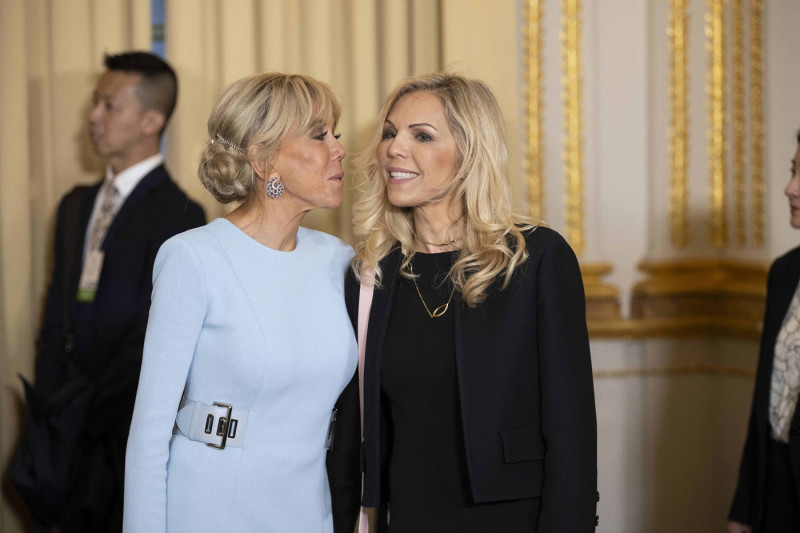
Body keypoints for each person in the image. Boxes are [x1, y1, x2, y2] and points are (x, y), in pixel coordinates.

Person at [333, 72, 598, 532]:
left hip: (514, 515)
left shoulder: (537, 259)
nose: (395, 148)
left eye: (422, 136)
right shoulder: (372, 274)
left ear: (469, 153)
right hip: (410, 515)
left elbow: (571, 431)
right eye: (391, 133)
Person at [123, 72, 357, 533]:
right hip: (210, 508)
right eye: (318, 135)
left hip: (311, 512)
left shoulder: (339, 260)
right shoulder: (194, 258)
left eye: (336, 134)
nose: (339, 149)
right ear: (263, 159)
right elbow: (149, 434)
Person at [12, 51, 205, 532]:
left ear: (151, 119)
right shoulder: (75, 204)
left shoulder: (181, 215)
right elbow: (56, 311)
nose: (93, 117)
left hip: (120, 432)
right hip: (59, 427)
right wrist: (55, 402)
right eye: (95, 103)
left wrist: (90, 412)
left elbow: (152, 337)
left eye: (109, 105)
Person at [729, 131, 800, 532]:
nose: (789, 187)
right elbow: (765, 401)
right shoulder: (785, 272)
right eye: (793, 171)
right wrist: (744, 508)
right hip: (776, 492)